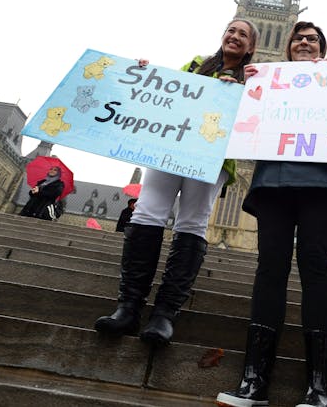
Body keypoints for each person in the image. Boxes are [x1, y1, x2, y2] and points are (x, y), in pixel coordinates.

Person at [216, 22, 327, 407]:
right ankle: (254, 381)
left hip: (324, 181)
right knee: (270, 269)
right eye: (298, 38)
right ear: (287, 48)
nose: (304, 42)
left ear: (321, 49)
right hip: (275, 180)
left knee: (315, 266)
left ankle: (320, 388)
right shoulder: (267, 81)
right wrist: (238, 88)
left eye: (312, 38)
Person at [94, 18, 259, 346]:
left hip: (211, 157)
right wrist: (140, 74)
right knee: (146, 214)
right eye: (231, 30)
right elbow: (158, 94)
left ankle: (164, 315)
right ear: (223, 35)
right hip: (168, 147)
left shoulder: (255, 78)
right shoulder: (196, 65)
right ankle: (128, 307)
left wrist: (248, 89)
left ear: (251, 47)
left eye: (243, 34)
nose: (235, 36)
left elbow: (258, 120)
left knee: (193, 224)